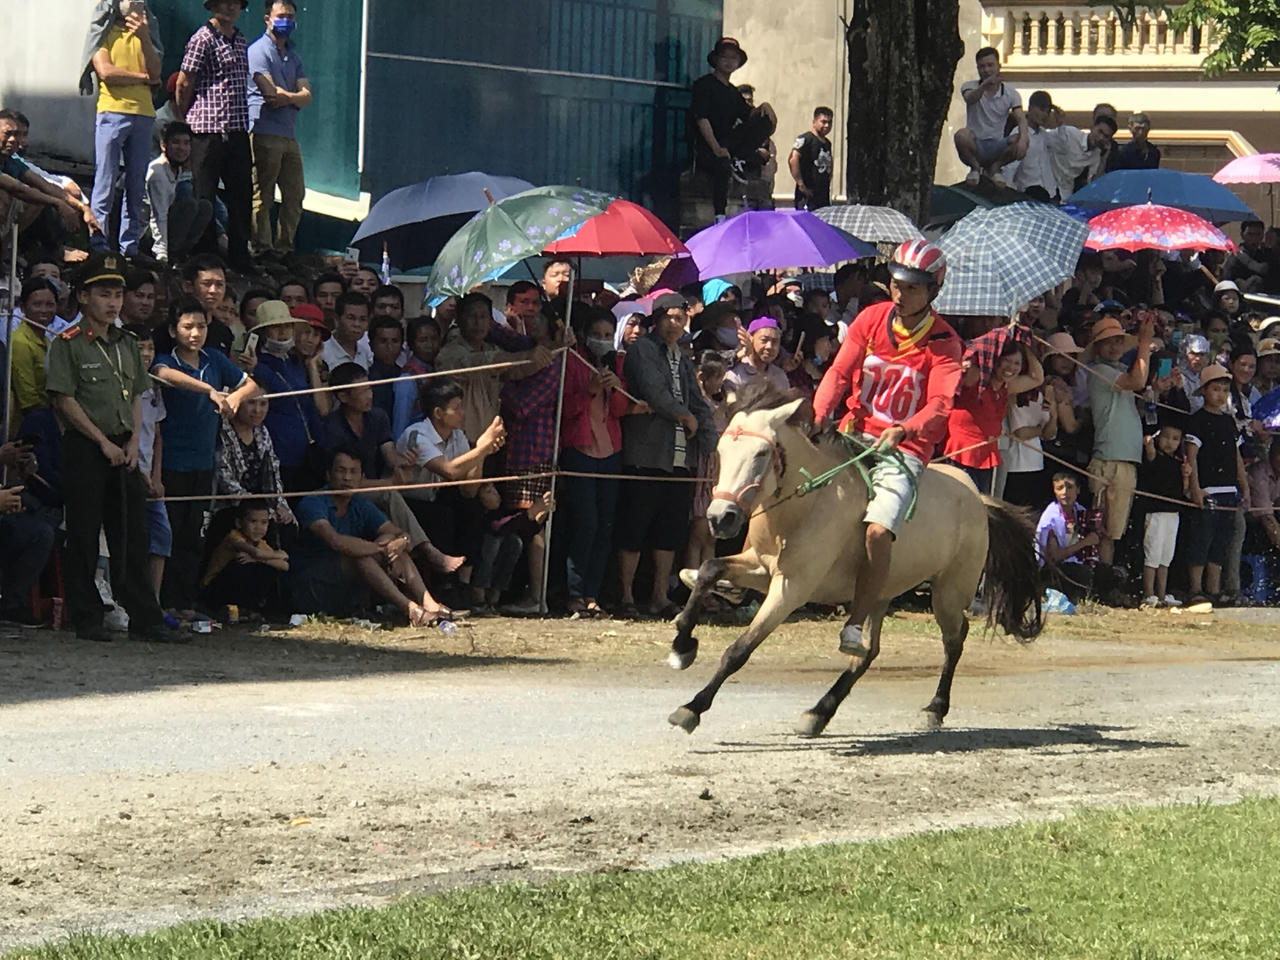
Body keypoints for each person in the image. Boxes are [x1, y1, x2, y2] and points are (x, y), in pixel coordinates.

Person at [813, 240, 963, 656]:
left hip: (904, 450)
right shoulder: (871, 317)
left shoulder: (946, 341)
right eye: (897, 284)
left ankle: (856, 622)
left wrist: (906, 429)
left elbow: (940, 405)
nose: (901, 293)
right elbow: (840, 371)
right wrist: (820, 412)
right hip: (852, 432)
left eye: (912, 287)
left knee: (878, 530)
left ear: (933, 290)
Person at [45, 252, 169, 642]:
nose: (113, 302)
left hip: (123, 444)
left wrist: (133, 441)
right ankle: (87, 616)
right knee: (83, 532)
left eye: (117, 293)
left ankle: (144, 616)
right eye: (103, 293)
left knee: (131, 533)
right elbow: (64, 398)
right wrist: (102, 443)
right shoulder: (68, 343)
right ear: (83, 297)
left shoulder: (127, 342)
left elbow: (135, 394)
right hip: (85, 445)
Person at [150, 295, 259, 615]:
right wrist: (209, 390)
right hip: (170, 462)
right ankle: (160, 602)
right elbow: (164, 374)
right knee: (166, 534)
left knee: (192, 537)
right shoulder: (165, 358)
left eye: (201, 326)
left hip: (203, 461)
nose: (195, 333)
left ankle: (182, 603)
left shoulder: (214, 358)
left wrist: (234, 399)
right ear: (173, 330)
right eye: (187, 327)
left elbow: (249, 384)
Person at [619, 292, 719, 619]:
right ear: (658, 318)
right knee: (634, 529)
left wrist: (710, 441)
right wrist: (683, 416)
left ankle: (660, 596)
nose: (676, 324)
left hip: (681, 459)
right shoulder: (642, 350)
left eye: (681, 318)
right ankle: (626, 596)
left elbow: (699, 403)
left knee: (669, 532)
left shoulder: (683, 357)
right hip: (647, 453)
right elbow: (654, 392)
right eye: (671, 317)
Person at [289, 446, 457, 623]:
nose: (347, 477)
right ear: (328, 475)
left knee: (394, 547)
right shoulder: (313, 502)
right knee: (362, 555)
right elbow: (335, 541)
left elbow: (397, 531)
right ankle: (410, 608)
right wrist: (380, 548)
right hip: (312, 582)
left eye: (353, 472)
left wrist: (401, 541)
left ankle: (430, 605)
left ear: (361, 478)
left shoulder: (359, 503)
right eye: (341, 471)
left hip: (346, 584)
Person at [397, 379, 506, 606]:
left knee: (473, 508)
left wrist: (482, 455)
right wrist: (481, 448)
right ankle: (444, 584)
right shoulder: (417, 434)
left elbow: (469, 489)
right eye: (457, 408)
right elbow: (450, 472)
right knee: (443, 515)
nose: (462, 413)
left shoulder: (457, 436)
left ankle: (464, 582)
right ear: (438, 412)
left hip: (441, 498)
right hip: (410, 502)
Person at [560, 309, 632, 617]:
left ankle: (592, 594)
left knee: (605, 525)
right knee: (585, 523)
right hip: (580, 449)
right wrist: (588, 391)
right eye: (597, 334)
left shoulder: (617, 362)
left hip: (610, 451)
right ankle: (574, 593)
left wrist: (614, 387)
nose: (603, 340)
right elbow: (562, 410)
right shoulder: (573, 359)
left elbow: (620, 410)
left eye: (608, 335)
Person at [175, 0, 254, 271]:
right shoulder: (202, 38)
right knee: (204, 195)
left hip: (237, 128)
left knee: (242, 195)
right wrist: (184, 118)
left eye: (235, 4)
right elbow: (186, 81)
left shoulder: (241, 40)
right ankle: (206, 254)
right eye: (224, 3)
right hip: (206, 128)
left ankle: (239, 255)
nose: (230, 8)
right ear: (213, 6)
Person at [89, 0, 160, 256]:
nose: (137, 6)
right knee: (104, 181)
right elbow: (106, 72)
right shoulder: (103, 31)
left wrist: (144, 36)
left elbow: (157, 70)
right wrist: (142, 78)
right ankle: (98, 242)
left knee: (136, 185)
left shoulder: (147, 35)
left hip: (143, 114)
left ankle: (128, 246)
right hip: (112, 111)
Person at [1084, 311, 1155, 567]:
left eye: (1118, 341)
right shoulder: (1100, 371)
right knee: (1103, 528)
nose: (1114, 346)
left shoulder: (1117, 371)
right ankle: (1101, 579)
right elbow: (1137, 380)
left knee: (1113, 529)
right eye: (1108, 342)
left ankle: (1105, 577)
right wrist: (1144, 342)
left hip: (1123, 457)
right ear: (1098, 347)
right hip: (1110, 458)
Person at [689, 37, 777, 219]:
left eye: (733, 58)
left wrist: (765, 109)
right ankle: (719, 215)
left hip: (731, 145)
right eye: (725, 57)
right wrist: (716, 148)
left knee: (763, 119)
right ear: (716, 60)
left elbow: (750, 118)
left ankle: (740, 159)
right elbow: (701, 118)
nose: (729, 62)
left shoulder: (733, 92)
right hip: (709, 146)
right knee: (721, 165)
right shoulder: (704, 85)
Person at [247, 0, 310, 256]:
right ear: (267, 18)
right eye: (281, 15)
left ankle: (285, 248)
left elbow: (307, 96)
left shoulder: (293, 55)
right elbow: (272, 96)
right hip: (263, 130)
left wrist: (292, 96)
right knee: (263, 194)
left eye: (291, 16)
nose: (287, 20)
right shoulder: (258, 51)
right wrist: (295, 95)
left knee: (295, 195)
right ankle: (263, 248)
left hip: (288, 135)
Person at [945, 338, 1043, 496]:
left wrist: (1024, 346)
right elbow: (970, 366)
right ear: (995, 361)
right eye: (1006, 361)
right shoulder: (976, 378)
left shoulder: (1006, 387)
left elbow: (1037, 377)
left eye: (1017, 363)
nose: (1011, 367)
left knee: (983, 508)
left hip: (987, 454)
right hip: (961, 452)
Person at [1186, 364, 1249, 604]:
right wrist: (1195, 488)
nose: (1220, 395)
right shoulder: (1197, 421)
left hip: (1229, 491)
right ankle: (1195, 589)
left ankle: (1213, 590)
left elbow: (1236, 457)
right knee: (1202, 539)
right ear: (1204, 391)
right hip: (1208, 489)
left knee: (1221, 542)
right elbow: (1191, 457)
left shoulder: (1229, 422)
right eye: (1215, 389)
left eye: (1225, 390)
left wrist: (1245, 487)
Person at [124, 322, 170, 602]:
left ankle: (153, 601)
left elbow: (157, 437)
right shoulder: (122, 384)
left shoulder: (154, 386)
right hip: (127, 470)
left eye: (150, 347)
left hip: (151, 477)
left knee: (161, 536)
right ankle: (129, 599)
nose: (146, 353)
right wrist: (140, 474)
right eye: (139, 347)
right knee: (133, 538)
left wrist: (156, 476)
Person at [954, 47, 1027, 187]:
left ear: (998, 66)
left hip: (997, 145)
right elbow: (970, 98)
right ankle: (975, 167)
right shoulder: (969, 86)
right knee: (961, 135)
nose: (986, 70)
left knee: (1021, 138)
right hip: (976, 143)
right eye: (982, 67)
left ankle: (995, 168)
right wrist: (985, 84)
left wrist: (1024, 138)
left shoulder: (1011, 94)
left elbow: (1020, 118)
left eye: (990, 65)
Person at [201, 502, 288, 614]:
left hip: (237, 587)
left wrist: (259, 560)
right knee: (242, 564)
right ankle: (224, 607)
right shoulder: (234, 537)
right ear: (239, 523)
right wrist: (280, 554)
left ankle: (248, 608)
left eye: (264, 522)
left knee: (268, 569)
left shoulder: (260, 543)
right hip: (215, 586)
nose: (258, 527)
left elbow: (285, 566)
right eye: (253, 521)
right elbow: (256, 553)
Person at [146, 121, 214, 263]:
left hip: (162, 232)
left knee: (205, 207)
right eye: (176, 142)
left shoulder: (177, 170)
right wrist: (161, 254)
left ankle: (180, 256)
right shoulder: (158, 172)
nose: (182, 148)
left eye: (186, 143)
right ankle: (170, 257)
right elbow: (158, 216)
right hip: (146, 235)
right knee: (189, 205)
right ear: (163, 145)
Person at [1139, 422, 1186, 608]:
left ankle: (1162, 593)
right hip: (1156, 513)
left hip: (1173, 514)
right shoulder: (1154, 456)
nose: (1169, 442)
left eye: (1175, 439)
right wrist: (1149, 442)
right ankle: (1148, 593)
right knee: (1152, 554)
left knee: (1166, 556)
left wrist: (1187, 476)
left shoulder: (1179, 463)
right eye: (1166, 437)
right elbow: (1150, 449)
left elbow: (1185, 490)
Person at [1036, 471, 1101, 602]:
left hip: (1079, 563)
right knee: (1082, 574)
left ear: (1078, 490)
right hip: (1056, 570)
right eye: (1060, 488)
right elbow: (1054, 557)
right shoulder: (1050, 521)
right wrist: (1084, 543)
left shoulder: (1081, 512)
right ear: (1054, 491)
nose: (1065, 492)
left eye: (1070, 487)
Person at [1045, 110, 1117, 202]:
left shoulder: (1096, 155)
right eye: (1100, 132)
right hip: (1047, 183)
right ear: (1092, 127)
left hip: (1065, 191)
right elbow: (1044, 139)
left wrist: (1105, 156)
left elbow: (1094, 183)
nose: (1100, 137)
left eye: (1106, 136)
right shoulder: (1070, 133)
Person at [11, 278, 57, 416]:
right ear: (23, 307)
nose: (44, 310)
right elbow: (28, 401)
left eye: (50, 304)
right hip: (31, 424)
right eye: (37, 304)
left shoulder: (47, 339)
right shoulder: (20, 342)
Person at [723, 316, 788, 397]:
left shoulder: (780, 376)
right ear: (750, 339)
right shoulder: (735, 376)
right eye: (764, 340)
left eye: (775, 342)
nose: (769, 346)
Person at [1011, 91, 1058, 199]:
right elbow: (1010, 168)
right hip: (1028, 194)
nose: (1045, 115)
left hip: (1050, 193)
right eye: (1042, 110)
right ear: (1031, 108)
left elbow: (1061, 148)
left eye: (1048, 112)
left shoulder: (1045, 135)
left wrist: (1059, 123)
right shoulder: (1018, 134)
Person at [789, 106, 833, 211]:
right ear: (814, 122)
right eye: (823, 122)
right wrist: (801, 184)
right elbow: (793, 159)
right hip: (808, 195)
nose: (827, 125)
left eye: (830, 122)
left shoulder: (827, 143)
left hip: (823, 196)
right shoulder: (806, 139)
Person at [320, 291, 373, 371]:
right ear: (337, 318)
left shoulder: (365, 353)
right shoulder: (322, 352)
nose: (357, 324)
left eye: (363, 319)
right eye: (351, 318)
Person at [366, 314, 404, 420]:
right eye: (383, 341)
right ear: (371, 345)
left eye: (395, 341)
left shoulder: (405, 375)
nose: (389, 347)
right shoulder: (366, 381)